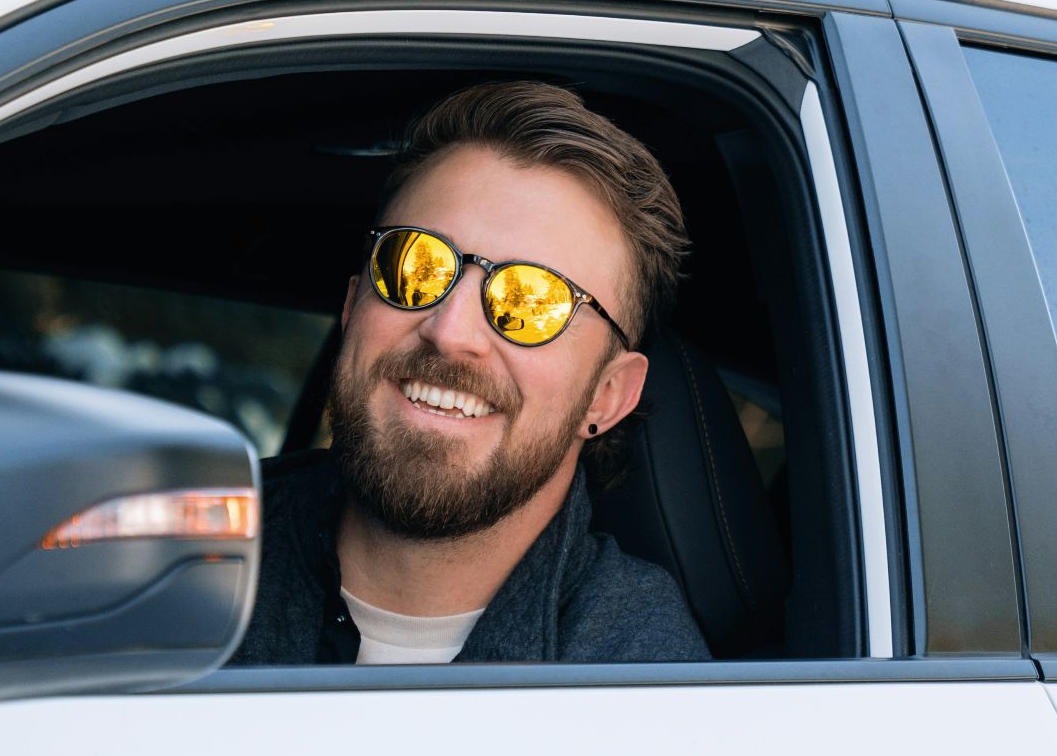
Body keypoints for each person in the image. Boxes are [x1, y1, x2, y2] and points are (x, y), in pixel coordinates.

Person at [230, 81, 709, 665]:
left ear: (607, 397)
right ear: (354, 305)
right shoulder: (158, 554)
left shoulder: (650, 696)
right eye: (417, 266)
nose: (450, 331)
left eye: (532, 300)